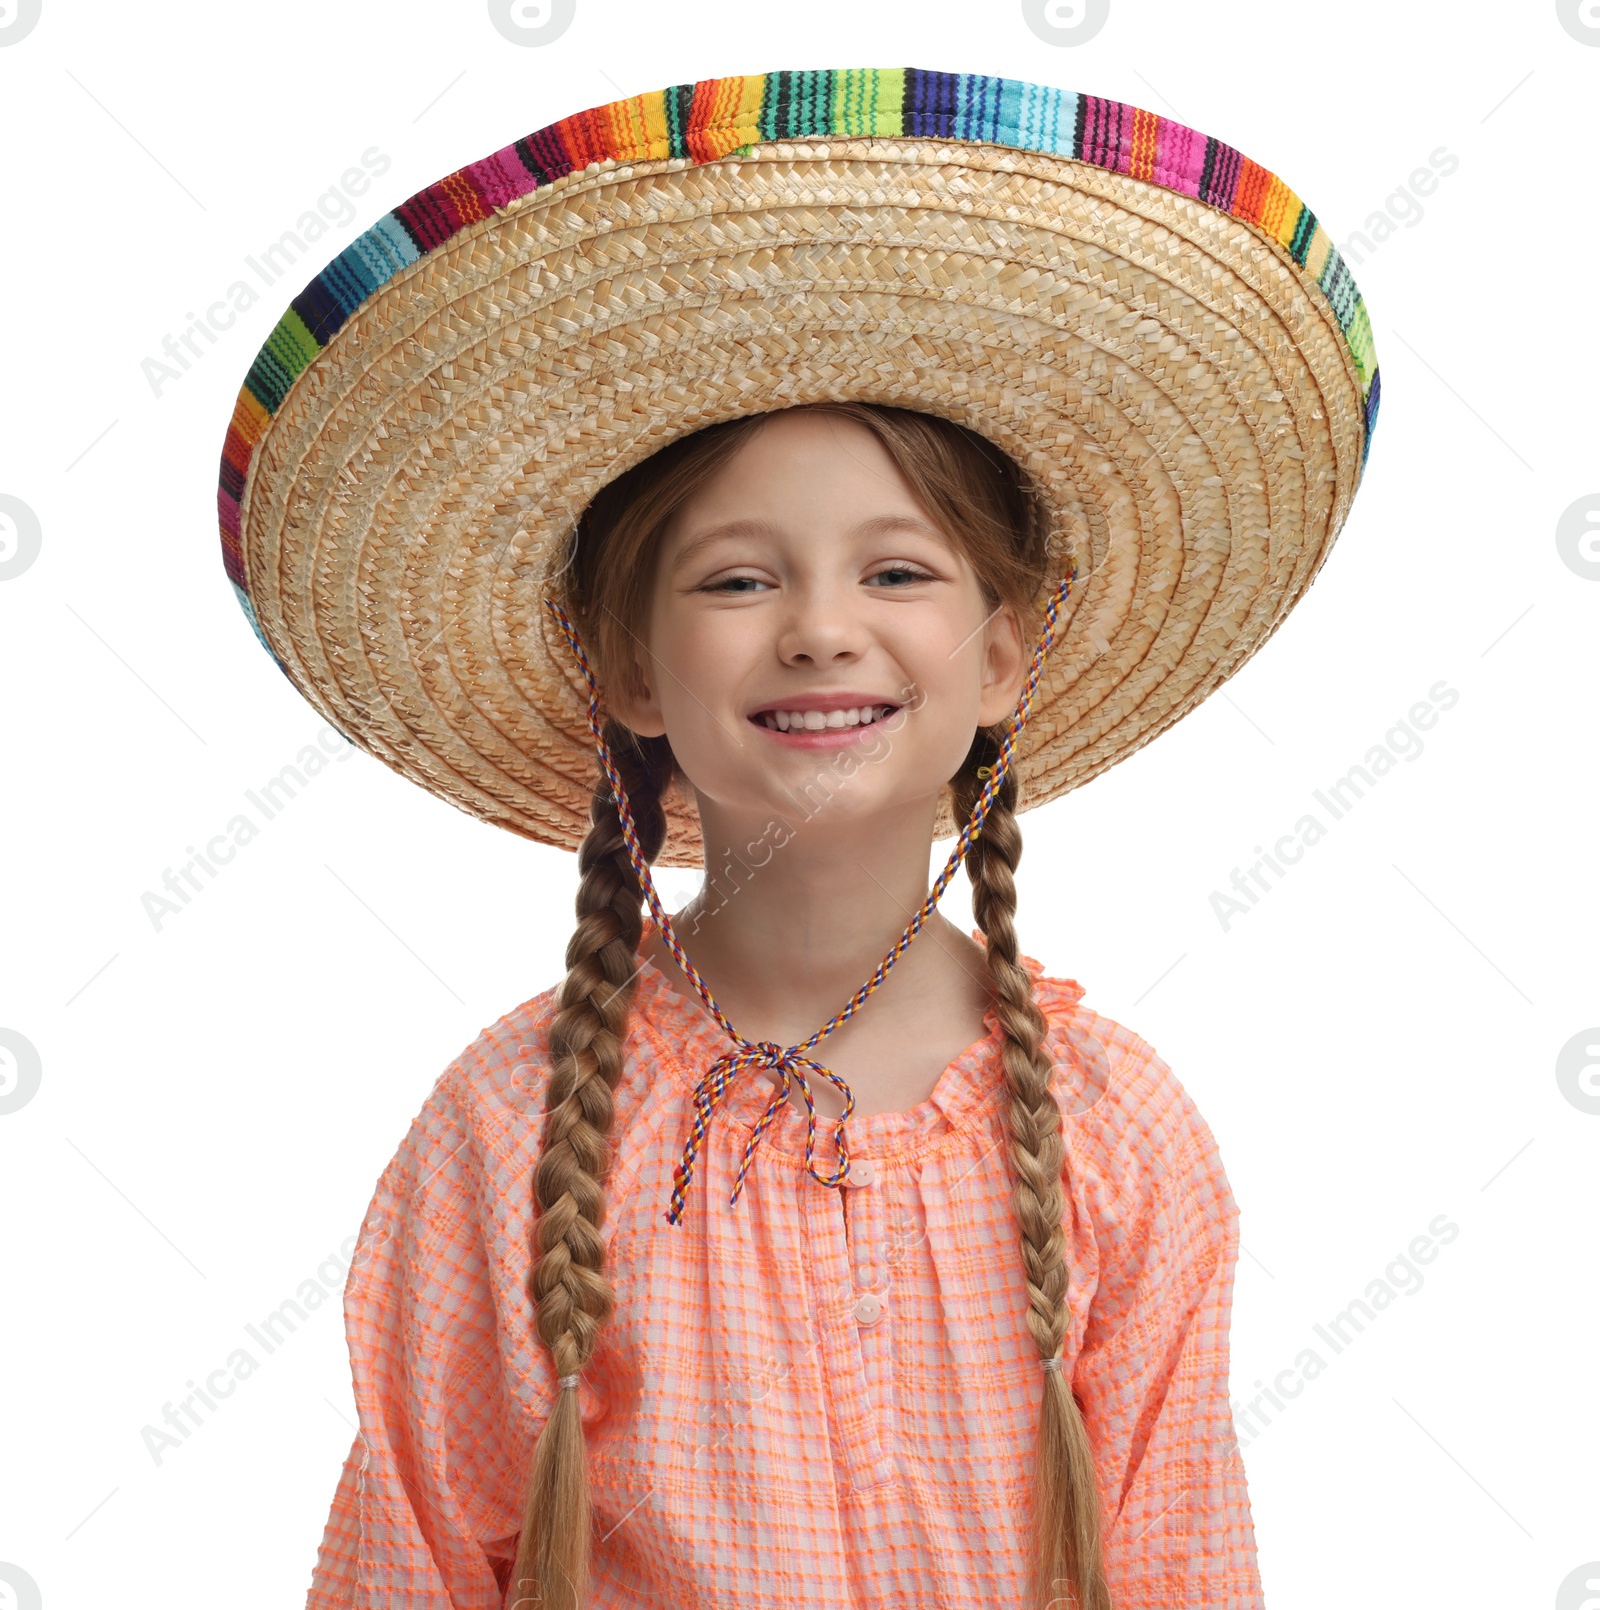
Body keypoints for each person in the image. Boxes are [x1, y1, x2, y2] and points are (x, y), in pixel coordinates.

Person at [216, 67, 1379, 1610]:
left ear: (1002, 658)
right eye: (736, 581)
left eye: (898, 573)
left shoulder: (1116, 1133)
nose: (824, 629)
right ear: (626, 669)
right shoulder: (508, 1135)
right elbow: (402, 1569)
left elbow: (1180, 1569)